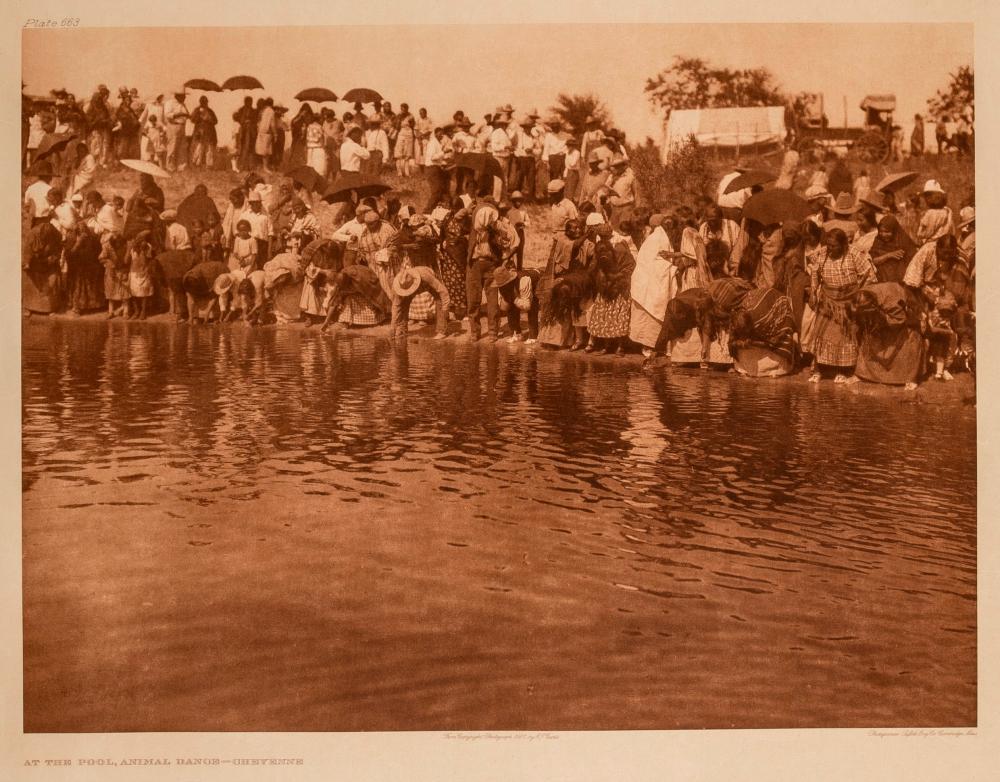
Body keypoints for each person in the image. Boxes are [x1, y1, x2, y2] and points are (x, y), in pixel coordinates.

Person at [804, 228, 877, 383]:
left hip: (848, 302)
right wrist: (813, 292)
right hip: (827, 300)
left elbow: (869, 274)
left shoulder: (854, 254)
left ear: (844, 245)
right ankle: (818, 369)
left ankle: (842, 371)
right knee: (822, 335)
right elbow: (815, 274)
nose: (830, 249)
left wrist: (859, 294)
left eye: (834, 246)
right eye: (828, 245)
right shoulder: (822, 254)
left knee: (844, 337)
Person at [850, 282, 925, 387]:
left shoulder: (892, 299)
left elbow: (900, 320)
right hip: (882, 318)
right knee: (868, 336)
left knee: (910, 339)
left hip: (907, 320)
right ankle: (863, 374)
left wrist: (881, 320)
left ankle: (910, 379)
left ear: (873, 304)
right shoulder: (863, 292)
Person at [587, 223, 636, 355]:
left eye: (605, 236)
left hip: (619, 286)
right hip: (605, 287)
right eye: (601, 236)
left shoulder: (620, 247)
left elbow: (630, 266)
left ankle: (621, 347)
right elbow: (593, 268)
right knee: (604, 317)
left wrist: (616, 276)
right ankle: (607, 346)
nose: (603, 238)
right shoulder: (599, 248)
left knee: (619, 317)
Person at [390, 265, 450, 341]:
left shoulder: (425, 276)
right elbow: (396, 307)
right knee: (403, 304)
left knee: (439, 300)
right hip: (413, 285)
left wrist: (445, 309)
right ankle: (402, 330)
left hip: (429, 283)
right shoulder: (397, 287)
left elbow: (443, 292)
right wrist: (392, 328)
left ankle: (441, 330)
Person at [22, 215, 64, 316]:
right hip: (35, 264)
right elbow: (27, 251)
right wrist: (27, 263)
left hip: (49, 263)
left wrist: (54, 258)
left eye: (46, 221)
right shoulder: (32, 234)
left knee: (52, 282)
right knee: (31, 283)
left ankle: (51, 307)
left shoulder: (54, 232)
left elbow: (59, 246)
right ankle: (29, 307)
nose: (44, 225)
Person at [127, 234, 155, 319]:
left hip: (144, 271)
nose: (142, 241)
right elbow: (127, 260)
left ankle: (143, 311)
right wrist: (129, 249)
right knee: (133, 293)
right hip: (134, 272)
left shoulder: (148, 247)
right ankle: (136, 311)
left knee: (144, 293)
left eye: (143, 239)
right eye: (139, 239)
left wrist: (147, 270)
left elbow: (149, 259)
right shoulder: (132, 248)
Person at [242, 191, 273, 267]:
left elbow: (270, 234)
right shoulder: (245, 215)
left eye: (258, 202)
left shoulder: (266, 216)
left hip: (262, 245)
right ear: (250, 203)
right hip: (249, 244)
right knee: (247, 266)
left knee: (261, 267)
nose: (256, 204)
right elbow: (239, 231)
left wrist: (269, 252)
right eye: (254, 202)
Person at [423, 127, 450, 212]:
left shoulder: (438, 143)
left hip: (436, 168)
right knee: (436, 191)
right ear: (436, 133)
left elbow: (438, 158)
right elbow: (433, 158)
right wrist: (444, 152)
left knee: (442, 190)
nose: (441, 135)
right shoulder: (432, 143)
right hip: (431, 169)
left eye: (442, 134)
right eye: (440, 133)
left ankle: (441, 209)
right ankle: (427, 210)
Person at [86, 85, 113, 167]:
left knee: (104, 144)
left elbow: (107, 117)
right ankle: (94, 161)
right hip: (95, 129)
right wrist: (97, 121)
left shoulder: (104, 107)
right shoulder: (91, 107)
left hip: (104, 129)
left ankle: (102, 161)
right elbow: (89, 119)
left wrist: (106, 121)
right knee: (96, 144)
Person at [163, 90, 190, 171]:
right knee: (172, 145)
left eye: (185, 96)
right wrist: (180, 114)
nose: (185, 97)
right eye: (183, 96)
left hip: (182, 126)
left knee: (182, 147)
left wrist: (186, 115)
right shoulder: (169, 103)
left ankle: (181, 166)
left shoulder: (183, 104)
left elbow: (187, 114)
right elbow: (167, 115)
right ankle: (170, 166)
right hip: (173, 126)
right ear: (177, 96)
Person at [189, 97, 218, 169]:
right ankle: (196, 163)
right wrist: (200, 116)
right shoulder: (197, 110)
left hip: (209, 132)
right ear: (200, 102)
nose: (204, 103)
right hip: (200, 131)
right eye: (203, 102)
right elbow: (192, 119)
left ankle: (209, 165)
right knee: (199, 147)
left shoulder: (210, 111)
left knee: (209, 148)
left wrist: (209, 118)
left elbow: (215, 121)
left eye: (205, 102)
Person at [24, 161, 54, 227]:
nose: (51, 179)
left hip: (34, 221)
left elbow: (26, 206)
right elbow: (53, 206)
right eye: (50, 176)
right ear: (47, 177)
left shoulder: (30, 188)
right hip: (46, 221)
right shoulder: (50, 189)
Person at [233, 97, 258, 172]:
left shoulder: (254, 111)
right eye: (248, 102)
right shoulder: (241, 110)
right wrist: (244, 121)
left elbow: (255, 120)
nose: (250, 103)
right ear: (245, 102)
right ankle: (242, 166)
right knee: (244, 149)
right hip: (243, 132)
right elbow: (239, 120)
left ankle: (250, 167)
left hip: (251, 132)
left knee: (251, 149)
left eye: (251, 102)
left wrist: (250, 122)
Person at [305, 110, 327, 176]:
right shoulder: (319, 127)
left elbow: (307, 138)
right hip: (317, 148)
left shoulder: (309, 126)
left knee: (310, 165)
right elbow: (318, 138)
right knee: (318, 167)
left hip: (310, 148)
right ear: (319, 119)